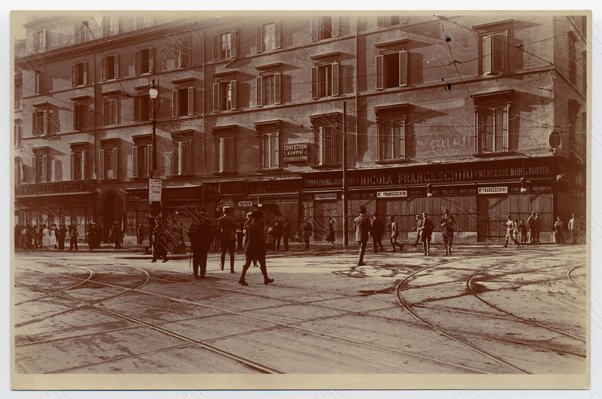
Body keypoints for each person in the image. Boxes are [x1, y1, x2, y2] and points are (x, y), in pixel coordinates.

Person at [238, 211, 274, 286]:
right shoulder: (260, 224)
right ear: (259, 217)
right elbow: (262, 236)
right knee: (263, 264)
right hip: (258, 247)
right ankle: (266, 278)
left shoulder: (250, 225)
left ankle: (242, 278)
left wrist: (248, 221)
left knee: (247, 264)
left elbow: (245, 230)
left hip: (250, 246)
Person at [188, 209, 213, 278]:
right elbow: (210, 235)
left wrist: (192, 240)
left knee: (196, 259)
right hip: (203, 245)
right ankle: (201, 272)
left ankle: (196, 272)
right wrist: (209, 243)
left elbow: (189, 234)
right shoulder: (206, 225)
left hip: (196, 245)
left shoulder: (194, 225)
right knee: (202, 258)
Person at [218, 207, 236, 273]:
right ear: (229, 212)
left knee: (223, 253)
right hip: (231, 237)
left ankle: (222, 266)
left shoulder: (220, 219)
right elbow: (234, 228)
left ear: (223, 212)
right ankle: (232, 269)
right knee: (232, 253)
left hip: (223, 238)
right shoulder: (233, 219)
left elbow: (219, 228)